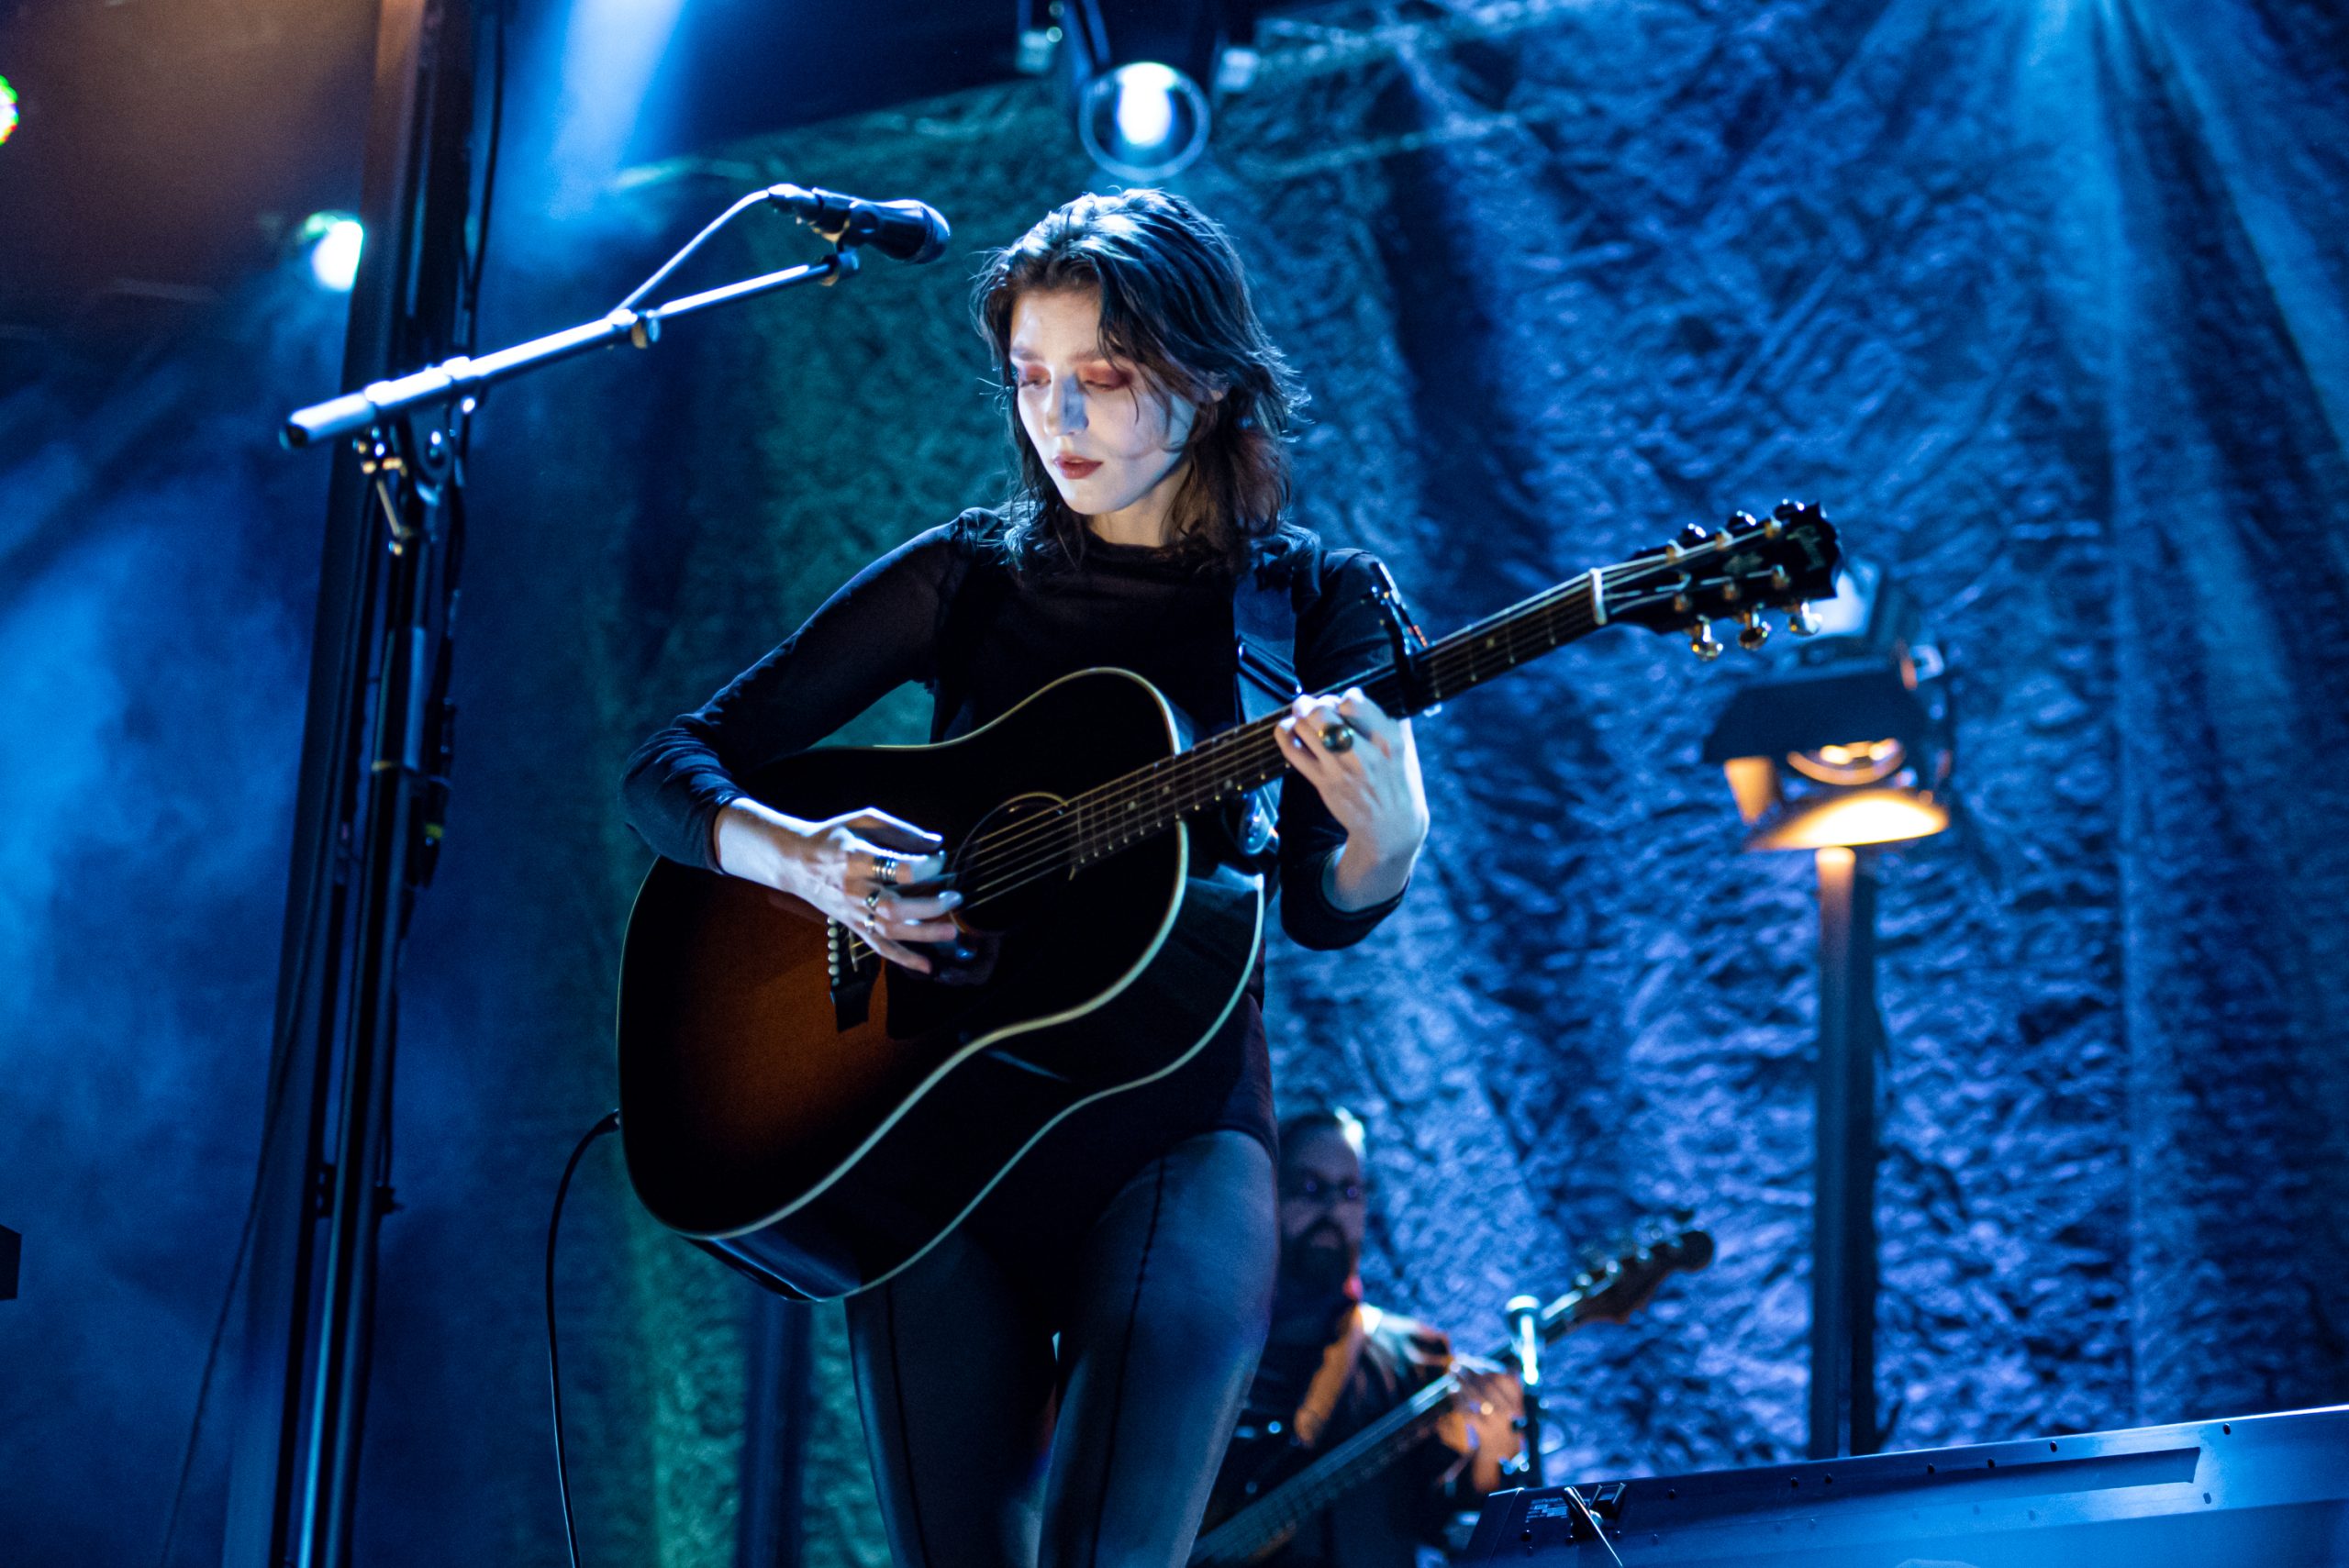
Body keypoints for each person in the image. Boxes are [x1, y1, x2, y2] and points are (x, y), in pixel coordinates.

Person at [622, 189, 1431, 1568]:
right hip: (934, 1153)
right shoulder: (965, 577)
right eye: (1032, 380)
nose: (1058, 422)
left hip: (1174, 1139)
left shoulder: (1306, 604)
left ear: (1211, 381)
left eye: (1102, 383)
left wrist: (1387, 839)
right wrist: (804, 860)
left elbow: (1315, 907)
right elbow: (674, 762)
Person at [1207, 1109, 1524, 1568]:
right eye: (1311, 1188)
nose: (1333, 1211)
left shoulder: (1413, 1357)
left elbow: (1451, 1528)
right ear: (1266, 1194)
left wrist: (1493, 1453)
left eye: (1350, 1192)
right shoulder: (1206, 1353)